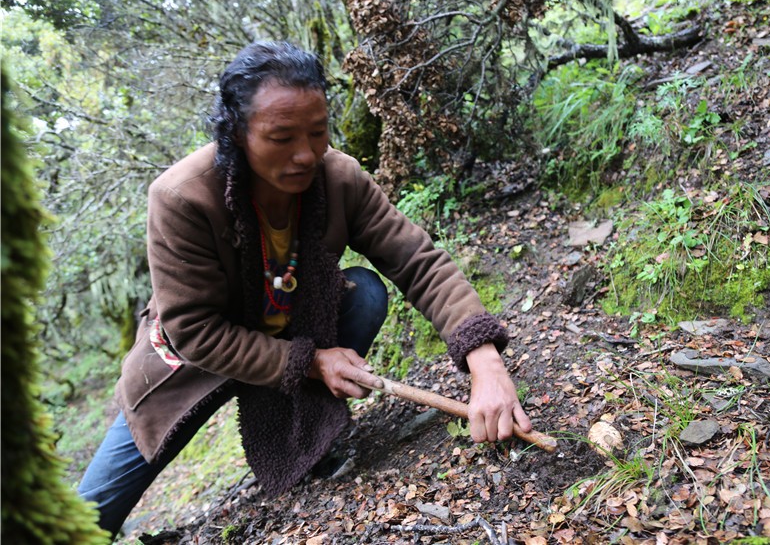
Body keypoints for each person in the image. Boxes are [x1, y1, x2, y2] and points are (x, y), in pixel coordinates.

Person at [77, 40, 532, 538]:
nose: (305, 155)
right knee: (92, 513)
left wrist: (484, 361)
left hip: (292, 328)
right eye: (281, 137)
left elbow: (416, 260)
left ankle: (310, 445)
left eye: (318, 132)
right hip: (192, 361)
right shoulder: (181, 198)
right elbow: (195, 331)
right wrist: (311, 361)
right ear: (237, 132)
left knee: (364, 293)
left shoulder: (338, 178)